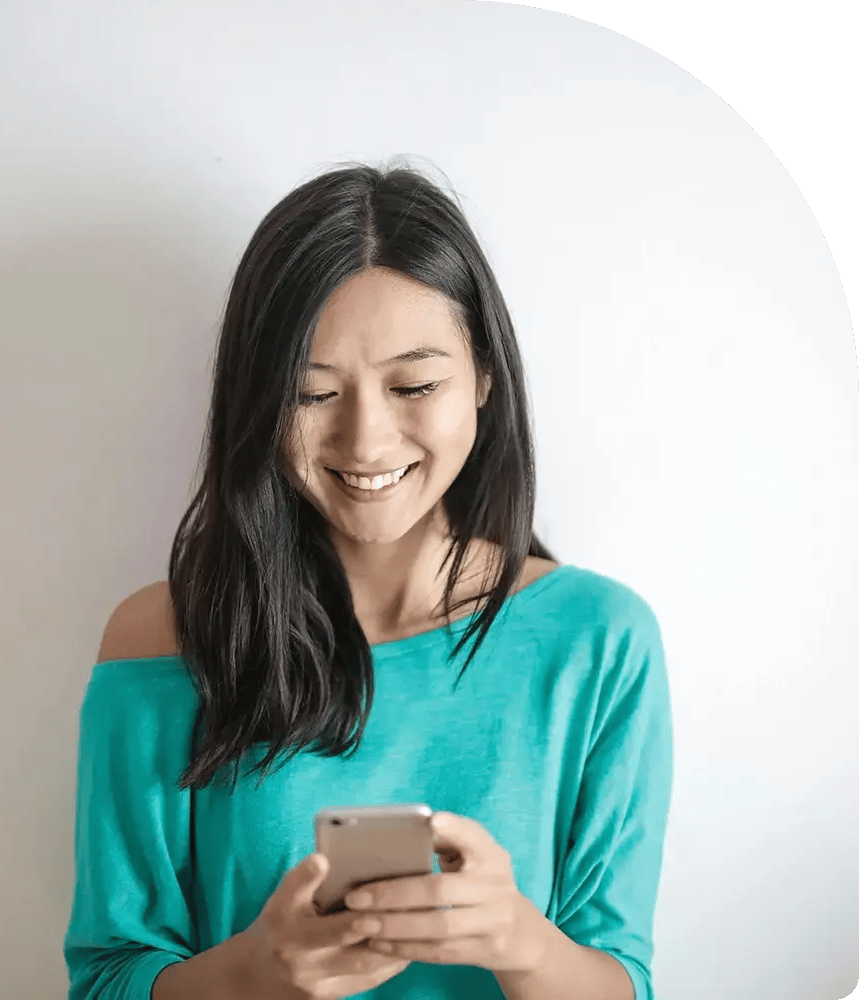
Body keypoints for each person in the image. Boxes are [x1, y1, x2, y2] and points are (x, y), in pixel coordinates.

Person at [63, 163, 673, 1000]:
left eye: (415, 385)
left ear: (485, 378)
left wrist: (518, 941)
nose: (367, 438)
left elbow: (621, 980)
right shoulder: (162, 640)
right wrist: (256, 972)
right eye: (312, 393)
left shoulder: (598, 642)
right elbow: (105, 979)